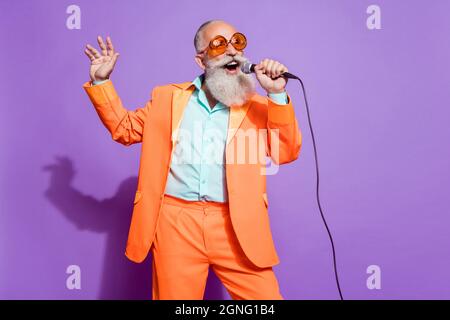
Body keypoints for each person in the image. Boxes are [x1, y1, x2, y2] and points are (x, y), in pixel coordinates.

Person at [83, 19, 302, 300]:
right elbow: (125, 129)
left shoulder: (259, 106)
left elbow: (286, 151)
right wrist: (101, 81)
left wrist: (276, 93)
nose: (232, 51)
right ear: (201, 60)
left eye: (237, 42)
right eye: (219, 44)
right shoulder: (166, 98)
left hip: (237, 226)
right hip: (176, 224)